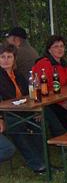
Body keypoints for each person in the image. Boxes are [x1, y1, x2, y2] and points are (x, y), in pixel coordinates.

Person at [0, 43, 47, 174]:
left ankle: (43, 160)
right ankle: (37, 164)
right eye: (2, 57)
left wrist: (36, 110)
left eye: (9, 56)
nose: (6, 60)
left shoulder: (18, 75)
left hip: (22, 111)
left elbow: (28, 95)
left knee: (39, 122)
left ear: (14, 59)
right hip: (7, 115)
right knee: (17, 126)